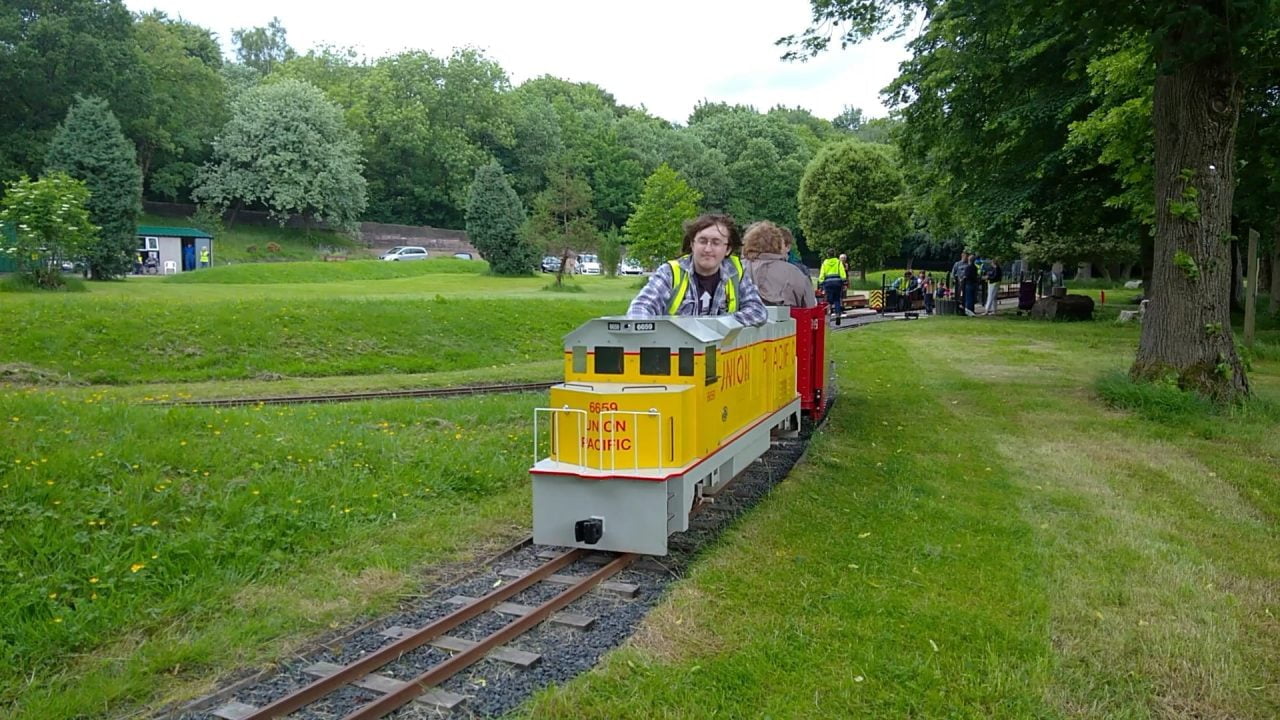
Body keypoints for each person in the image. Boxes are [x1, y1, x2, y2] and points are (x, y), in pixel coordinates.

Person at [627, 213, 767, 326]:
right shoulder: (670, 272)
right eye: (702, 241)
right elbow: (639, 308)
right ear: (692, 244)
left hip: (721, 356)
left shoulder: (736, 272)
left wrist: (721, 324)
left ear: (728, 249)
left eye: (716, 242)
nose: (708, 249)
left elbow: (758, 312)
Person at [742, 221, 816, 308]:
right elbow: (811, 307)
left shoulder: (736, 269)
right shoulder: (795, 273)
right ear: (779, 244)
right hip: (790, 319)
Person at [819, 249, 848, 324]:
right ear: (834, 254)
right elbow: (842, 272)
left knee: (829, 301)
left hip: (828, 284)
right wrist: (844, 281)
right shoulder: (838, 262)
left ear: (828, 255)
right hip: (837, 283)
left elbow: (822, 274)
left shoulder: (825, 263)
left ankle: (828, 317)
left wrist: (821, 284)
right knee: (837, 300)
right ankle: (838, 315)